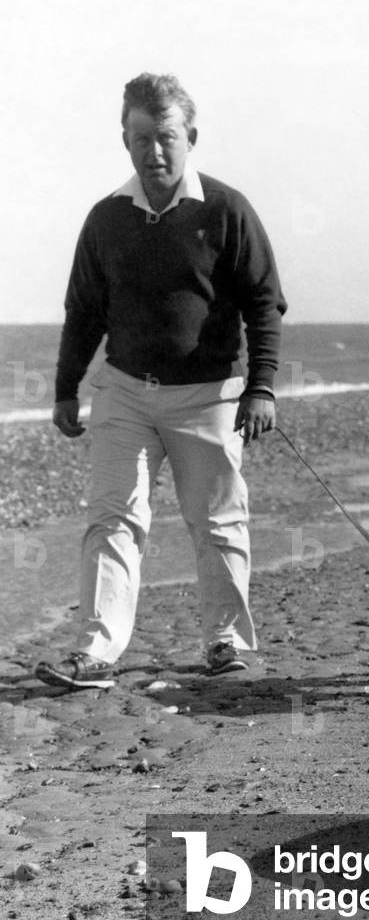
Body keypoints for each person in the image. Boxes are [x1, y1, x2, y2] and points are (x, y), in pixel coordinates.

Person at [35, 72, 287, 689]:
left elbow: (264, 302)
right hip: (123, 391)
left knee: (218, 521)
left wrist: (262, 386)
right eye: (141, 137)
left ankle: (225, 643)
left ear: (190, 137)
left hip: (210, 397)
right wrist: (67, 389)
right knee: (113, 519)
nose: (154, 152)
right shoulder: (105, 220)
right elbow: (84, 312)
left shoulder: (227, 210)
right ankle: (96, 651)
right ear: (125, 139)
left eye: (166, 137)